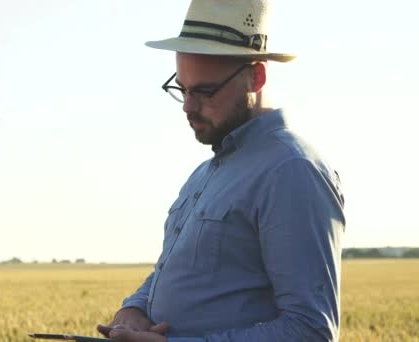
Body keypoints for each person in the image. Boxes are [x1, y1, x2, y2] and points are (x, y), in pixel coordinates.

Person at [97, 0, 345, 341]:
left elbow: (310, 330)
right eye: (181, 89)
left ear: (256, 76)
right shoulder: (204, 174)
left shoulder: (291, 171)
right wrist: (135, 308)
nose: (187, 106)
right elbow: (181, 270)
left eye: (204, 91)